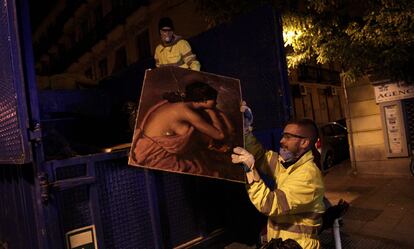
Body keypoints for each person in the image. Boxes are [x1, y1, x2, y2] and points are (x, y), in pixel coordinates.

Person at [231, 110, 325, 249]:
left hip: (298, 246)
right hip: (282, 243)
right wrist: (246, 131)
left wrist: (250, 171)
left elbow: (270, 205)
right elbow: (261, 157)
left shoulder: (307, 176)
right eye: (283, 136)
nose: (281, 141)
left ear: (304, 142)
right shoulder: (288, 166)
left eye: (288, 137)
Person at [130, 79, 234, 175]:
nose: (216, 102)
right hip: (154, 154)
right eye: (214, 99)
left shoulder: (181, 104)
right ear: (204, 100)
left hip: (150, 146)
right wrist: (213, 113)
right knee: (200, 170)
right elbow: (220, 135)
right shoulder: (187, 113)